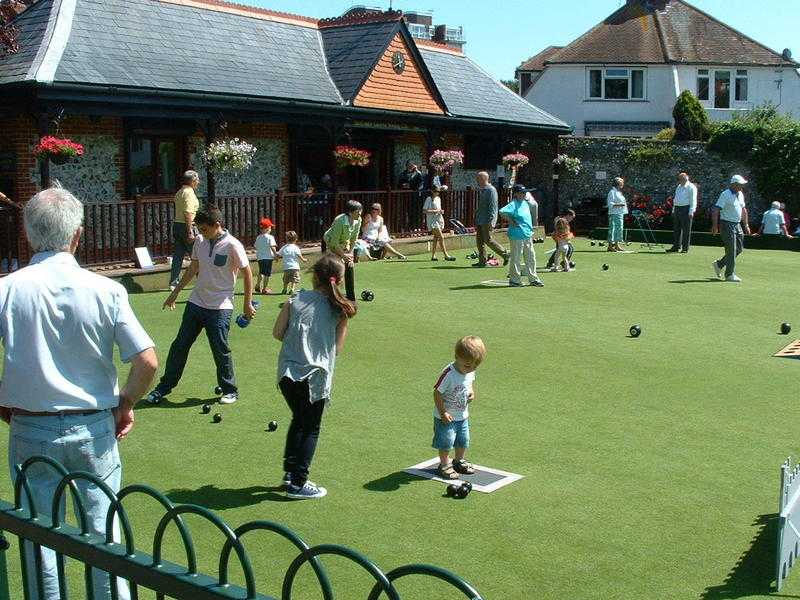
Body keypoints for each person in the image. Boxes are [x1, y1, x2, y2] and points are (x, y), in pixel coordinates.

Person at [0, 187, 158, 600]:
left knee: (38, 537)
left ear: (28, 234)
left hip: (31, 427)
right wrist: (126, 403)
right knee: (104, 533)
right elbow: (146, 360)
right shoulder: (107, 290)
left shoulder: (7, 288)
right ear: (78, 236)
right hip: (93, 426)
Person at [146, 206, 255, 405]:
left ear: (217, 225)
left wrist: (247, 304)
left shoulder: (233, 245)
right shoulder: (200, 242)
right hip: (196, 303)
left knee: (220, 349)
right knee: (179, 345)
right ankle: (163, 388)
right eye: (199, 229)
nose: (200, 233)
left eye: (204, 229)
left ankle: (230, 390)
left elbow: (247, 273)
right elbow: (193, 268)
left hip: (221, 306)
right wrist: (175, 293)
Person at [272, 253, 357, 499]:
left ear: (314, 277)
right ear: (338, 281)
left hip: (287, 374)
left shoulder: (295, 298)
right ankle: (298, 483)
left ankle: (289, 474)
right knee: (310, 427)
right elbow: (337, 350)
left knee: (299, 420)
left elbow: (278, 333)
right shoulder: (339, 309)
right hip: (315, 377)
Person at [432, 336, 486, 480]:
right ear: (457, 357)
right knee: (446, 441)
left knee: (463, 440)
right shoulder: (449, 374)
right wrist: (443, 412)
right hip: (446, 417)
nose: (471, 369)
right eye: (467, 366)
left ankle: (458, 461)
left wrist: (472, 393)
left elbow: (469, 383)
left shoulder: (470, 371)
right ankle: (444, 464)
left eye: (475, 366)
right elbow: (437, 392)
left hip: (462, 415)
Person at [498, 184, 543, 287]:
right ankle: (514, 280)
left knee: (531, 257)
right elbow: (502, 212)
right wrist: (511, 220)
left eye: (525, 192)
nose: (524, 194)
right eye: (522, 192)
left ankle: (533, 279)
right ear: (516, 194)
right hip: (516, 234)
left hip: (527, 234)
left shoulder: (525, 203)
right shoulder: (513, 204)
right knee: (516, 258)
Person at [711, 175, 751, 283]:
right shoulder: (725, 194)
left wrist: (746, 225)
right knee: (731, 249)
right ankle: (729, 274)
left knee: (738, 249)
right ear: (733, 184)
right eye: (740, 184)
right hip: (727, 224)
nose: (742, 186)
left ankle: (719, 264)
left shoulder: (740, 194)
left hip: (737, 224)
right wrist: (715, 226)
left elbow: (743, 210)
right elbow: (716, 210)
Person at [322, 200, 362, 301]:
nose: (360, 213)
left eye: (361, 210)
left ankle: (351, 297)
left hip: (344, 244)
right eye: (358, 211)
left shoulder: (358, 220)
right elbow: (334, 242)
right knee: (333, 269)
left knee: (349, 266)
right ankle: (328, 294)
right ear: (350, 212)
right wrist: (344, 256)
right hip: (330, 243)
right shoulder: (339, 220)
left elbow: (354, 239)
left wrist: (350, 256)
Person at [169, 170, 200, 290]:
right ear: (192, 181)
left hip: (177, 225)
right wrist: (190, 231)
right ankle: (203, 281)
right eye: (197, 180)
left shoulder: (179, 192)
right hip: (187, 226)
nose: (198, 182)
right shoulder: (189, 193)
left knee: (178, 255)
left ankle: (173, 282)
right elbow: (188, 213)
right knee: (197, 255)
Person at [473, 171, 510, 267]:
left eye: (478, 178)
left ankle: (505, 254)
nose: (477, 180)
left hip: (487, 220)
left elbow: (493, 206)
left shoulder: (491, 190)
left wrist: (492, 221)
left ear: (484, 179)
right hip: (480, 219)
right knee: (479, 241)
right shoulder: (483, 190)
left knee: (488, 240)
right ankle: (482, 261)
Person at [666, 172, 698, 253]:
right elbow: (676, 199)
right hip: (677, 208)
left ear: (686, 178)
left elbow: (693, 200)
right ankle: (676, 246)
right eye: (679, 179)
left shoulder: (691, 187)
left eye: (681, 179)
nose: (680, 181)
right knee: (676, 229)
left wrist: (691, 211)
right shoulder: (679, 187)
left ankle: (685, 248)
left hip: (686, 208)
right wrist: (673, 209)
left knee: (686, 229)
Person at [423, 185, 456, 261]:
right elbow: (424, 210)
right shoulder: (428, 199)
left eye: (438, 192)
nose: (437, 193)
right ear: (432, 191)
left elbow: (439, 209)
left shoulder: (438, 199)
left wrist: (441, 211)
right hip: (432, 221)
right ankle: (446, 255)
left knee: (436, 237)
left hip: (438, 219)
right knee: (441, 237)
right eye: (435, 191)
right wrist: (435, 211)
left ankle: (433, 255)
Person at [277, 230, 307, 295]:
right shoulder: (296, 248)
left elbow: (279, 255)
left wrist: (276, 258)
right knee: (294, 279)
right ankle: (292, 289)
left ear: (286, 239)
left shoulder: (284, 247)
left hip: (286, 267)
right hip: (295, 267)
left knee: (286, 279)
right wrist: (303, 259)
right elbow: (299, 255)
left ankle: (285, 288)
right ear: (296, 239)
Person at [398, 162, 424, 231]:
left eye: (412, 166)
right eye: (409, 165)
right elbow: (399, 183)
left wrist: (417, 171)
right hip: (405, 196)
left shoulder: (417, 174)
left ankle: (414, 228)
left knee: (414, 212)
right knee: (405, 212)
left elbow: (421, 183)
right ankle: (405, 229)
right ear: (406, 166)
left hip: (414, 196)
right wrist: (404, 185)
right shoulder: (403, 174)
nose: (410, 167)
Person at [255, 217, 277, 294]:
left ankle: (257, 285)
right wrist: (276, 255)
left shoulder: (258, 237)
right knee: (267, 274)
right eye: (270, 227)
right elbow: (272, 247)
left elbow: (256, 246)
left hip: (260, 258)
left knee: (261, 272)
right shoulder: (270, 237)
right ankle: (264, 289)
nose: (271, 228)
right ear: (268, 228)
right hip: (268, 258)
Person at [606, 177, 628, 252]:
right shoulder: (612, 192)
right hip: (614, 213)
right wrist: (620, 205)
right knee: (613, 229)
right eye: (622, 183)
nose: (623, 184)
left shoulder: (619, 192)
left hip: (620, 213)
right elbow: (610, 204)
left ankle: (617, 245)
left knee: (619, 229)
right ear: (618, 184)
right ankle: (610, 246)